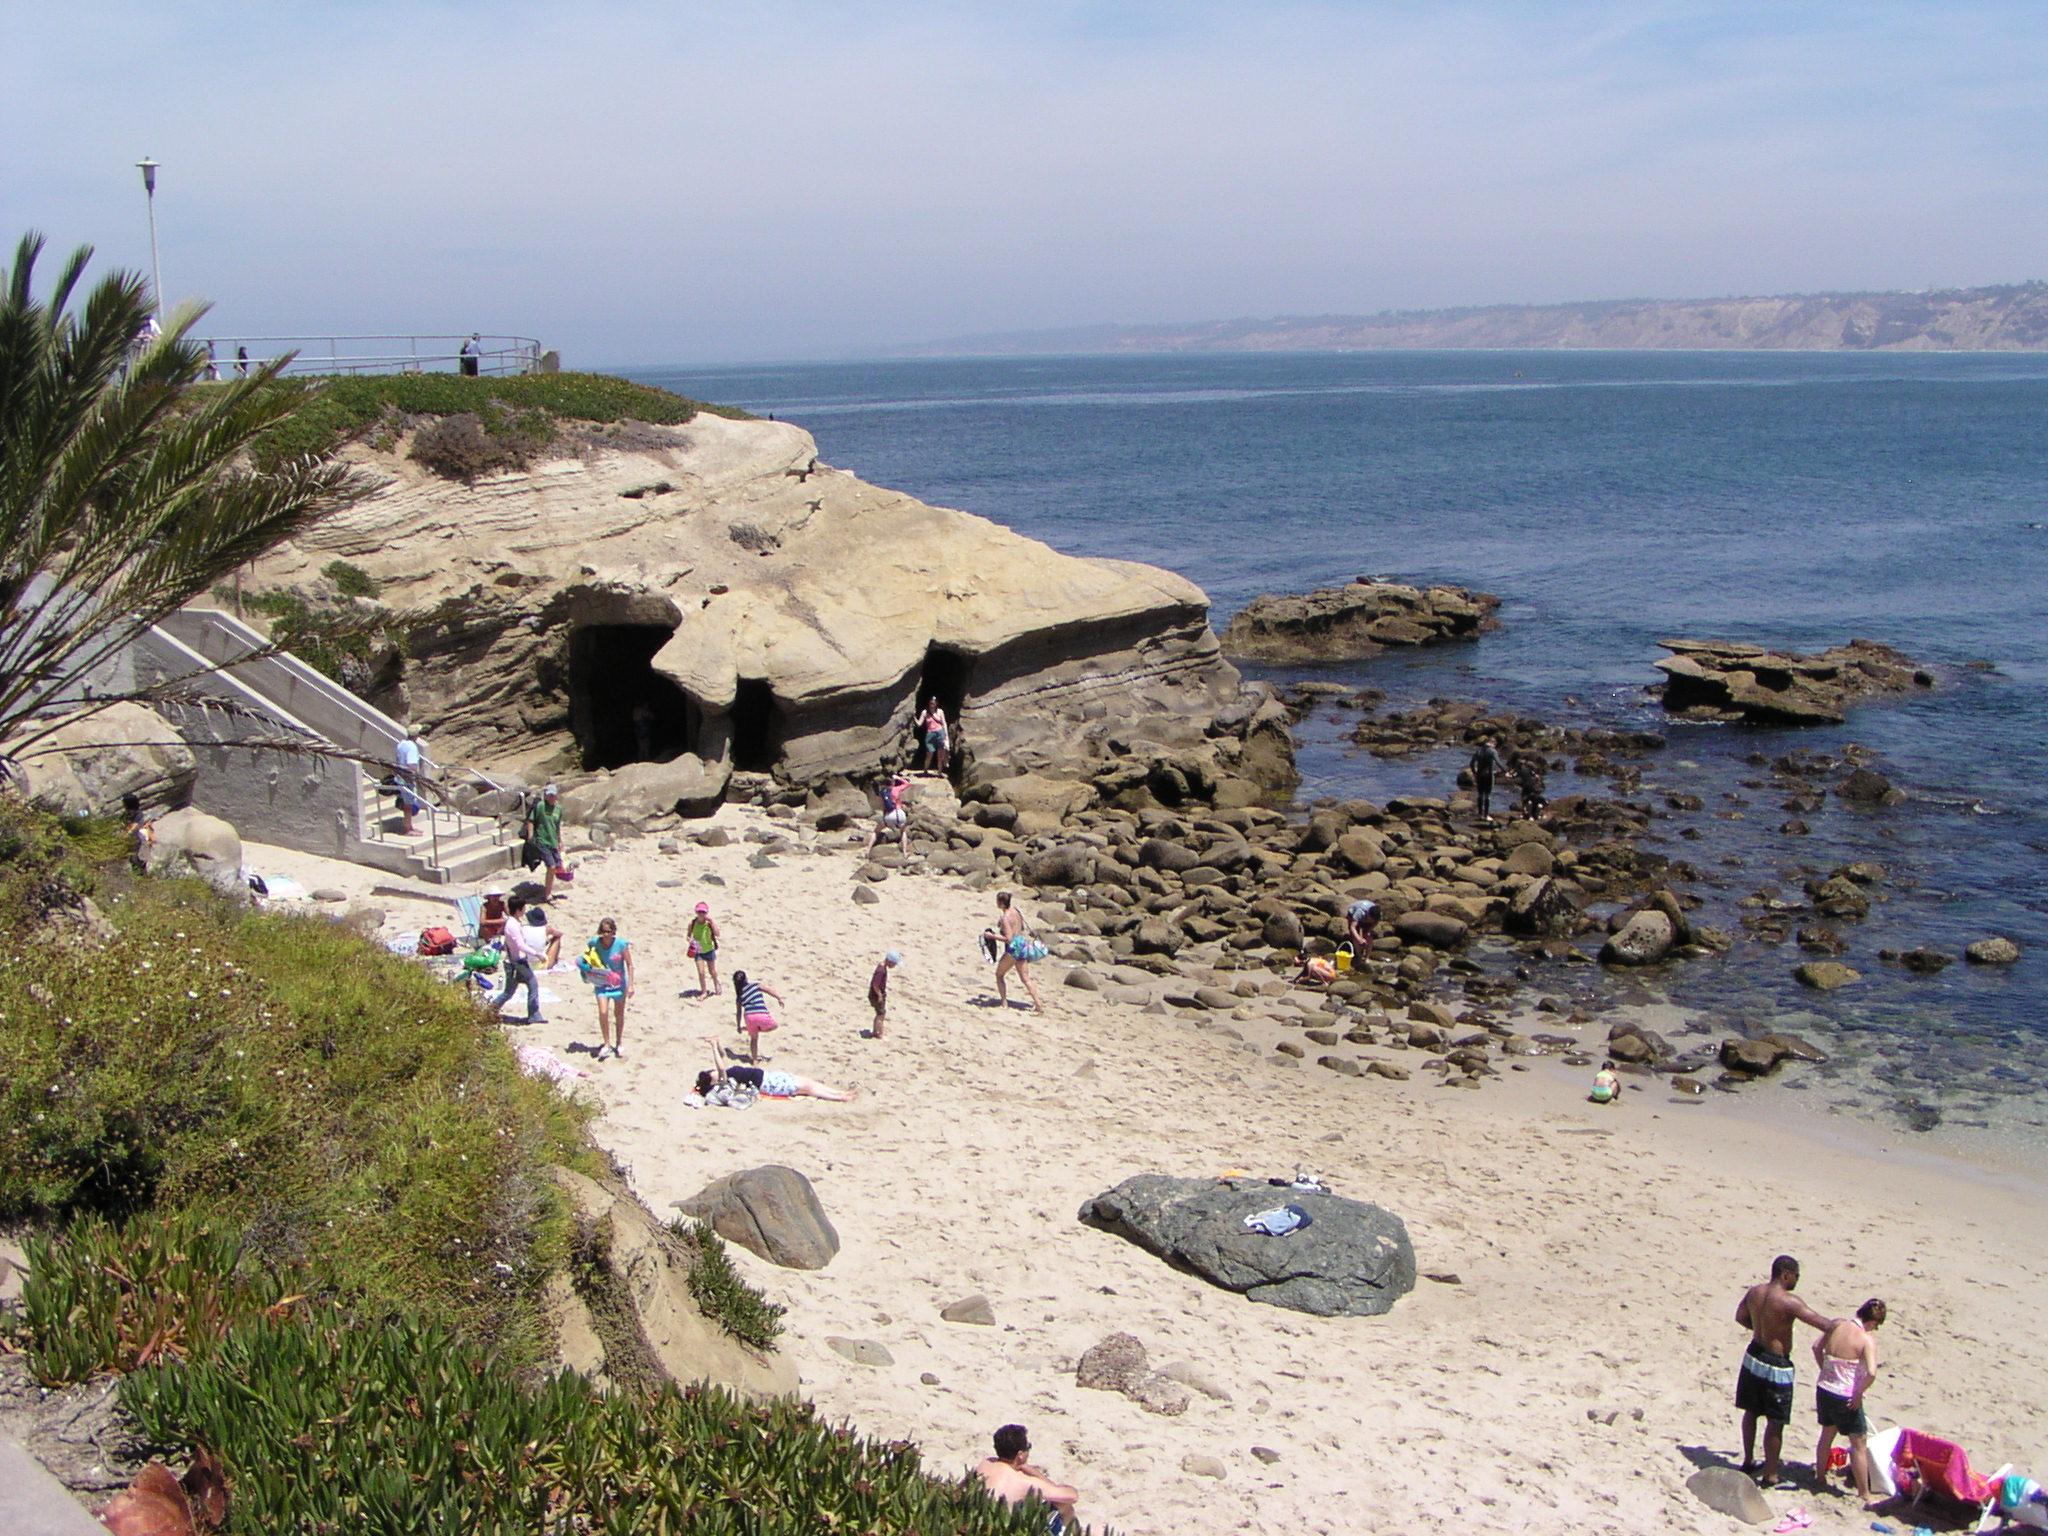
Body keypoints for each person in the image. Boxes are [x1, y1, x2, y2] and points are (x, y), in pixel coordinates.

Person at [1735, 1256, 1839, 1487]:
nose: (1797, 1280)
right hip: (1776, 1364)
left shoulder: (1755, 1292)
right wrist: (1843, 1325)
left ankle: (1748, 1460)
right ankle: (1771, 1474)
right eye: (1796, 1276)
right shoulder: (1789, 1302)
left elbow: (1740, 1317)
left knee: (1751, 1411)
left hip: (1754, 1354)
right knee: (1775, 1421)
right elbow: (1822, 1323)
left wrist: (1762, 1329)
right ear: (1786, 1274)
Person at [1813, 1299, 1886, 1507]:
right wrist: (1858, 1393)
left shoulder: (1837, 1324)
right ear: (1872, 1322)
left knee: (1827, 1433)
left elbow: (1816, 1347)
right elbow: (1871, 1373)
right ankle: (1864, 1493)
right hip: (1845, 1395)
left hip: (1824, 1388)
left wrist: (1825, 1369)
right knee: (1859, 1443)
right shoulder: (1866, 1340)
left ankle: (1820, 1477)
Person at [976, 1424, 1079, 1532]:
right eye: (1028, 1446)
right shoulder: (1023, 1482)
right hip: (1002, 1530)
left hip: (977, 1525)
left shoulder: (986, 1463)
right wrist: (1042, 1478)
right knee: (1063, 1505)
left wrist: (1023, 1466)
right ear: (1020, 1454)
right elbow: (1072, 1496)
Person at [694, 1040, 856, 1101]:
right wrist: (713, 1047)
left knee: (809, 1083)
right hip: (768, 1083)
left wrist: (716, 1043)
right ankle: (839, 1097)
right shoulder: (723, 1082)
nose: (713, 1071)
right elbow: (721, 1066)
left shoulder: (726, 1075)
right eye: (711, 1073)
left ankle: (839, 1093)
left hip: (769, 1077)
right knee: (808, 1088)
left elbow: (722, 1058)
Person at [581, 916, 634, 1059]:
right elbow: (585, 959)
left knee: (619, 1014)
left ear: (613, 932)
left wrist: (631, 985)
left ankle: (619, 1043)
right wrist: (586, 972)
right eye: (604, 931)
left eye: (609, 931)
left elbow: (629, 964)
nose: (606, 934)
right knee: (603, 1012)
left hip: (619, 984)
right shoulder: (594, 943)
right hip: (602, 984)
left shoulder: (621, 945)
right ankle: (606, 1044)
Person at [491, 895, 546, 1024]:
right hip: (517, 963)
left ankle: (490, 1009)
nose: (525, 910)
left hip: (513, 962)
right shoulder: (513, 925)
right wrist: (537, 954)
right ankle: (534, 1015)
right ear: (518, 910)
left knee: (509, 992)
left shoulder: (512, 922)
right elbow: (520, 945)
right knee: (532, 985)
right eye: (523, 908)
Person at [991, 891, 1044, 1013]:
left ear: (1001, 903)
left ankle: (1004, 1003)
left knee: (999, 975)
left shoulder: (1005, 917)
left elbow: (1008, 938)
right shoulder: (1016, 911)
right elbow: (1021, 928)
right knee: (1026, 979)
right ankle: (1038, 1005)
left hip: (1013, 947)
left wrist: (992, 936)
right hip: (1022, 944)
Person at [524, 784, 568, 900]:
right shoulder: (540, 806)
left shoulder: (558, 809)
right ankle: (547, 894)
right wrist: (530, 836)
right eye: (549, 795)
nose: (551, 797)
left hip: (553, 841)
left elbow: (557, 826)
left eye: (553, 795)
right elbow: (531, 821)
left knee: (557, 867)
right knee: (551, 866)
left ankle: (549, 889)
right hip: (541, 840)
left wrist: (559, 841)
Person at [732, 969, 784, 1063]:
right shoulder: (755, 985)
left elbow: (738, 1012)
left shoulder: (739, 996)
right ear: (746, 979)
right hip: (761, 1014)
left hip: (749, 1017)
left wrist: (738, 1025)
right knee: (774, 1026)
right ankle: (750, 1029)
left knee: (754, 1039)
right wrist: (779, 998)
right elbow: (769, 990)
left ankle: (755, 1061)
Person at [863, 771, 912, 858]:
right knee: (903, 832)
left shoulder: (883, 792)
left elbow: (884, 805)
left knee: (876, 831)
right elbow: (907, 784)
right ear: (893, 783)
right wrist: (898, 778)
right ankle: (905, 853)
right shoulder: (896, 789)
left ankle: (868, 850)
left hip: (889, 815)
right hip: (899, 813)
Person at [393, 727, 424, 836]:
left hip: (400, 777)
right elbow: (412, 765)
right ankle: (408, 829)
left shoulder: (401, 744)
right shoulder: (412, 747)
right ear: (416, 735)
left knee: (407, 803)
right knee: (408, 804)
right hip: (407, 779)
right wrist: (416, 776)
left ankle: (409, 826)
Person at [1468, 737, 1506, 822]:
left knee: (1480, 795)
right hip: (1489, 775)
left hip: (1479, 775)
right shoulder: (1492, 751)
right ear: (1493, 743)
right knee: (1487, 796)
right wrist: (1506, 771)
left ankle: (1480, 814)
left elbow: (1471, 764)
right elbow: (1498, 763)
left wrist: (1475, 772)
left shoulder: (1478, 751)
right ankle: (1486, 815)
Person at [687, 902, 721, 998]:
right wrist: (691, 941)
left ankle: (716, 983)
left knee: (712, 971)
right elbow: (688, 935)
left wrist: (712, 922)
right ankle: (704, 991)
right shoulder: (692, 923)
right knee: (701, 972)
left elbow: (717, 934)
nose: (701, 914)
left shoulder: (708, 924)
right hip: (698, 952)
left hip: (709, 950)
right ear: (696, 912)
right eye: (699, 912)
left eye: (703, 912)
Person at [868, 951, 899, 1039]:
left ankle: (875, 1032)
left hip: (874, 995)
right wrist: (880, 995)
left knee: (879, 1014)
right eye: (894, 964)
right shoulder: (881, 971)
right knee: (881, 1015)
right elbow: (875, 985)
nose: (894, 966)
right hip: (876, 996)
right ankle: (880, 1034)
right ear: (889, 961)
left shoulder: (881, 967)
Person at [917, 697, 951, 776]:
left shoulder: (940, 711)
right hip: (930, 734)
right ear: (929, 703)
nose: (932, 704)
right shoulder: (925, 712)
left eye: (934, 702)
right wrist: (914, 717)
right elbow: (919, 724)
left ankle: (939, 772)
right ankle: (925, 770)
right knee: (929, 754)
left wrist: (946, 735)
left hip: (940, 732)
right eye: (931, 702)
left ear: (936, 703)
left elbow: (944, 723)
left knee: (940, 755)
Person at [122, 791, 154, 872]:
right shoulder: (126, 814)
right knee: (133, 861)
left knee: (139, 861)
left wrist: (126, 834)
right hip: (132, 841)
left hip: (140, 841)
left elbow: (134, 826)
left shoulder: (138, 814)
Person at [524, 904, 564, 969]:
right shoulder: (546, 929)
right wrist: (550, 939)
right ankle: (554, 959)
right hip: (542, 965)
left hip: (527, 965)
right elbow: (560, 934)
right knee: (557, 939)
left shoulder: (523, 928)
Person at [1345, 897, 1379, 965]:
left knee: (1369, 936)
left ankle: (1367, 957)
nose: (1370, 921)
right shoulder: (1360, 912)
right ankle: (1359, 956)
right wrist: (1359, 938)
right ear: (1368, 914)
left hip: (1367, 916)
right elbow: (1352, 927)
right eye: (1370, 919)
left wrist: (1369, 930)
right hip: (1352, 914)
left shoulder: (1378, 914)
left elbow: (1376, 922)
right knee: (1355, 937)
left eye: (1372, 920)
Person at [1515, 753, 1547, 819]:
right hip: (1531, 787)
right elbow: (1535, 775)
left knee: (1526, 800)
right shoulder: (1529, 770)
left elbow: (1516, 775)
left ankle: (1527, 814)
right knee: (1532, 800)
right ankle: (1533, 814)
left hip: (1527, 787)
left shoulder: (1524, 769)